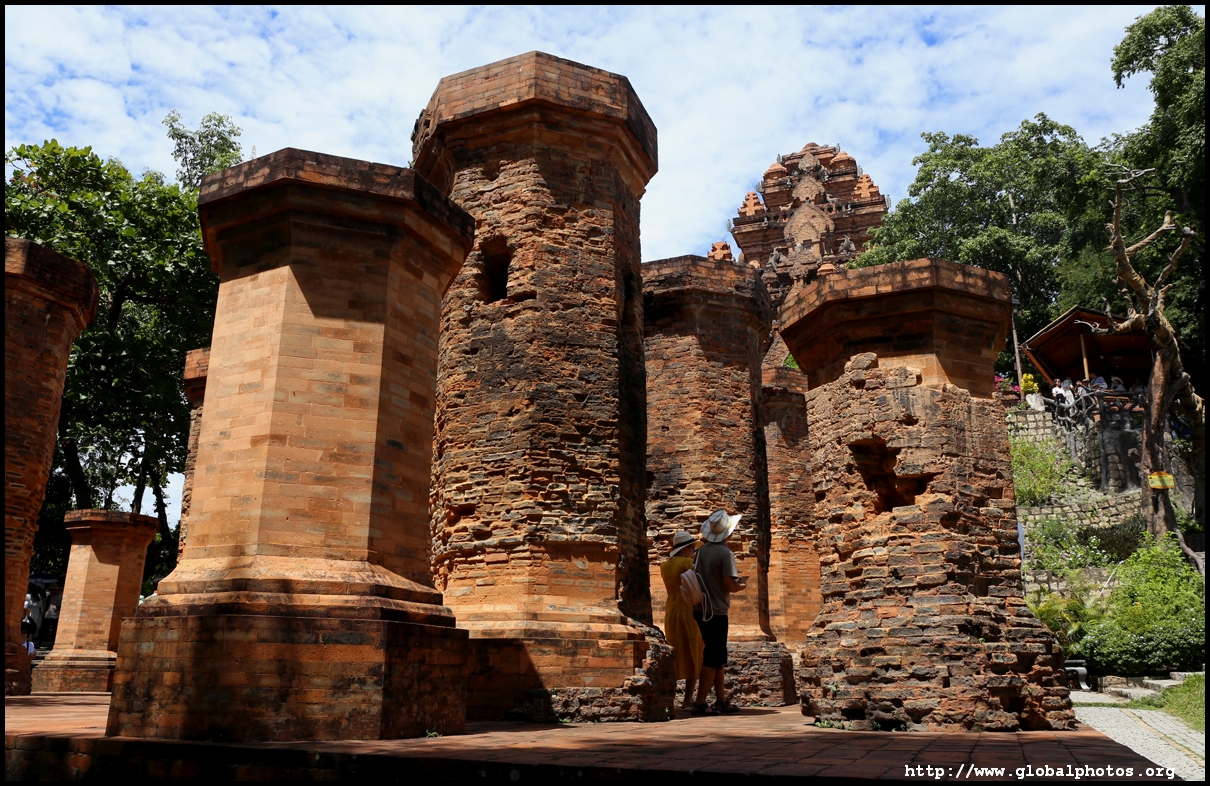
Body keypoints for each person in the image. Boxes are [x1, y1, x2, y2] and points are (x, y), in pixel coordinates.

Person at [691, 509, 747, 716]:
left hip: (700, 609)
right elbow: (729, 585)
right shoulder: (725, 553)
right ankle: (700, 702)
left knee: (718, 656)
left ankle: (721, 699)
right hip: (716, 611)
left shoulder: (701, 551)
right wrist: (741, 584)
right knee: (713, 657)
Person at [660, 530, 704, 710]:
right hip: (688, 609)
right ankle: (688, 699)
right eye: (692, 548)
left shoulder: (664, 566)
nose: (693, 552)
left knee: (676, 651)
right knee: (693, 652)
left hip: (671, 610)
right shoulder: (687, 563)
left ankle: (669, 698)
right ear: (686, 548)